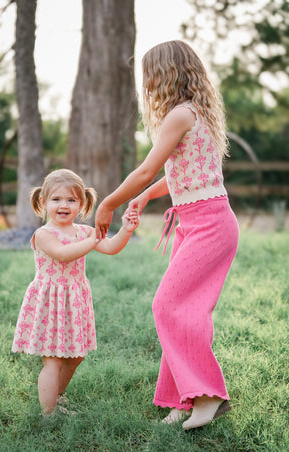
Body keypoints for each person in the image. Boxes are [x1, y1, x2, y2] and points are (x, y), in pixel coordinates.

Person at [95, 40, 239, 430]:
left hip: (208, 224)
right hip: (198, 221)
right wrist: (142, 198)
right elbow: (175, 174)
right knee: (185, 310)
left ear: (167, 72)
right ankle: (183, 399)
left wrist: (108, 203)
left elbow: (145, 169)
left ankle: (209, 396)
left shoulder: (179, 114)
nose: (148, 84)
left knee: (167, 305)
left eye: (151, 75)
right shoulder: (196, 112)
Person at [12, 169, 139, 415]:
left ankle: (56, 397)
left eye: (71, 200)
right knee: (53, 359)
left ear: (81, 204)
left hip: (74, 300)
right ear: (43, 202)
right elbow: (63, 254)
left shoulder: (84, 232)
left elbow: (111, 247)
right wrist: (93, 241)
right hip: (51, 301)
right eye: (56, 199)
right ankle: (48, 414)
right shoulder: (44, 235)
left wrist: (126, 230)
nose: (64, 205)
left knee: (75, 356)